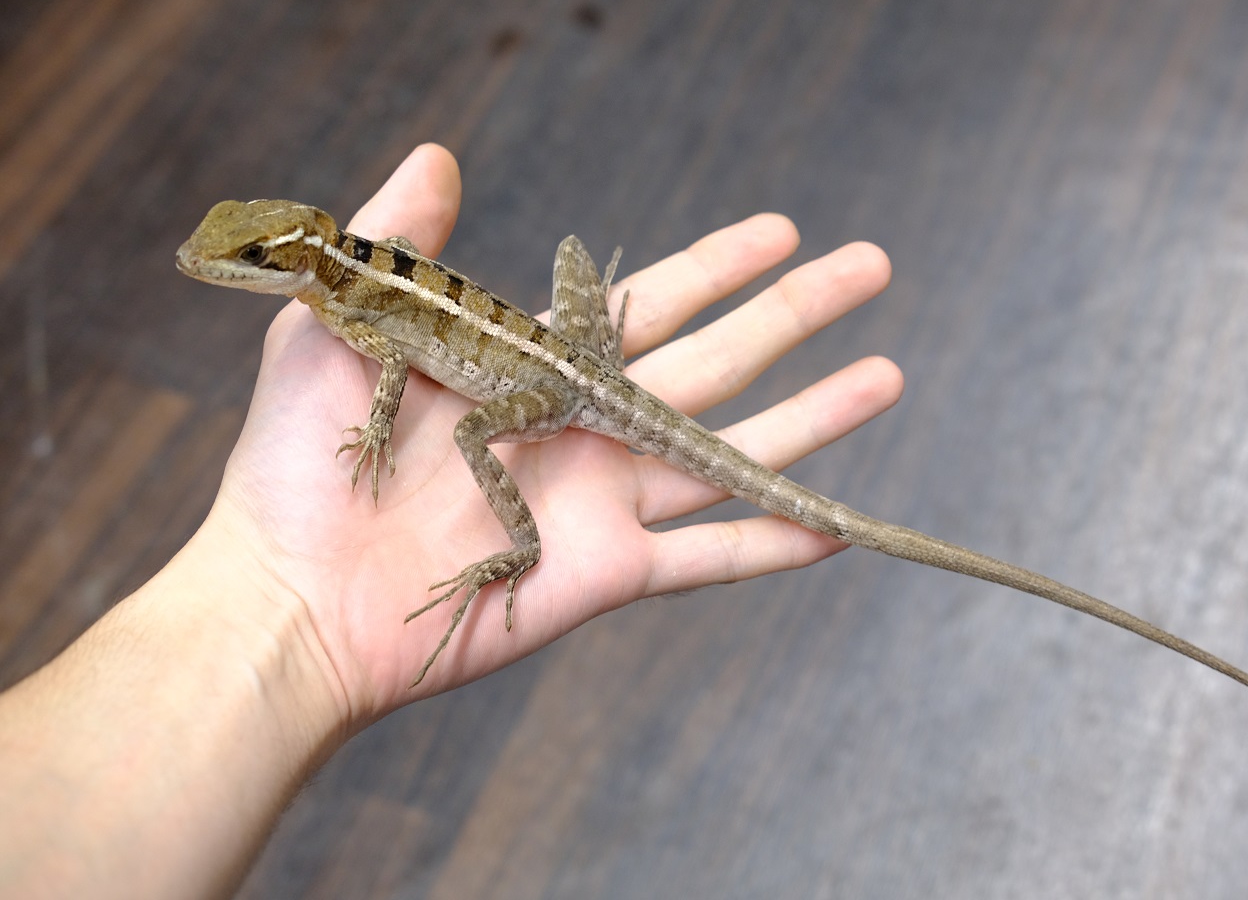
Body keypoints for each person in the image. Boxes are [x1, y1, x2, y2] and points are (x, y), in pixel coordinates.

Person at [0, 144, 903, 898]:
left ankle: (522, 546)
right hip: (568, 367)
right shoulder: (343, 283)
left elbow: (394, 369)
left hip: (560, 390)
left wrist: (380, 429)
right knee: (570, 257)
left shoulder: (349, 303)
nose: (213, 264)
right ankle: (595, 362)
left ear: (297, 261)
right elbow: (396, 285)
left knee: (472, 428)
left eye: (248, 257)